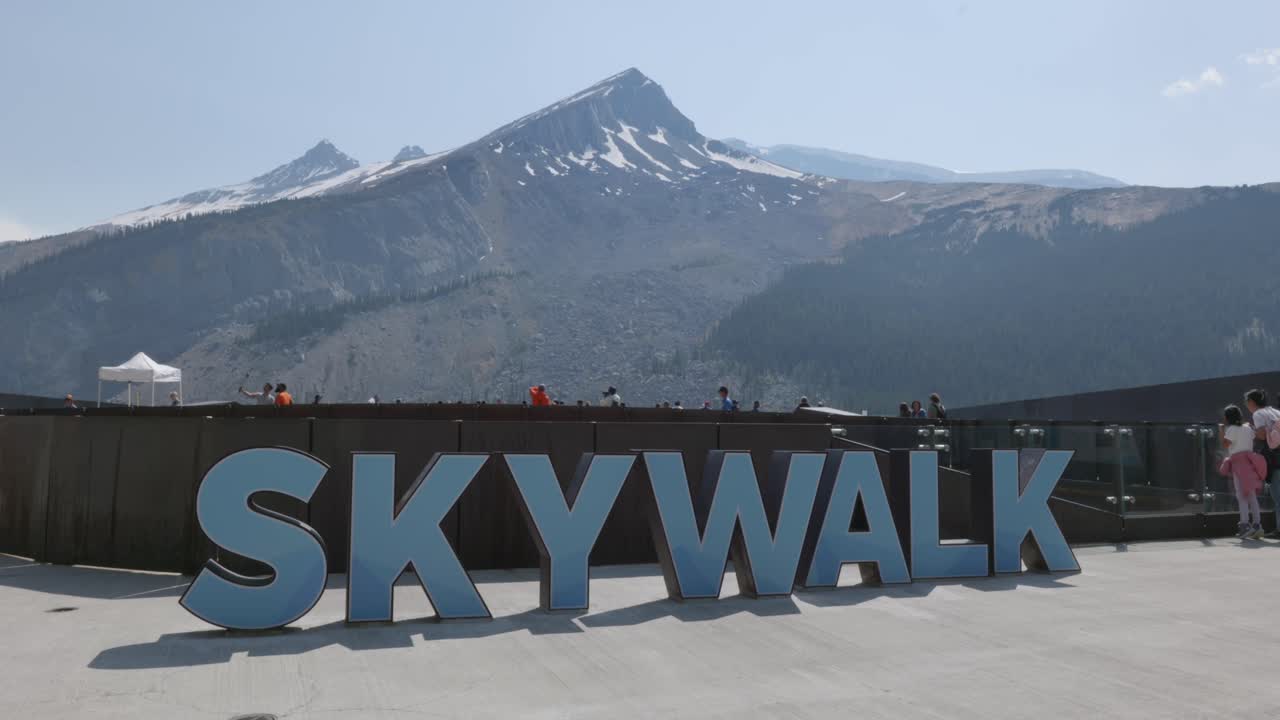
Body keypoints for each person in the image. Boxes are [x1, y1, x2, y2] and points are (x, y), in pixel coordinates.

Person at [1221, 404, 1266, 539]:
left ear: (1227, 418)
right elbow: (1253, 437)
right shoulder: (1247, 428)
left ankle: (1245, 525)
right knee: (1251, 495)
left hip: (1238, 464)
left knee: (1241, 496)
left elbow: (1225, 444)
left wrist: (1222, 431)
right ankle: (1257, 525)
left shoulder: (1231, 429)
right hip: (1250, 462)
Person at [1245, 389, 1280, 534]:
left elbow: (1261, 436)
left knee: (1278, 494)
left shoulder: (1258, 414)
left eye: (1247, 402)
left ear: (1251, 402)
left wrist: (1250, 430)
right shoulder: (1276, 411)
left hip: (1275, 457)